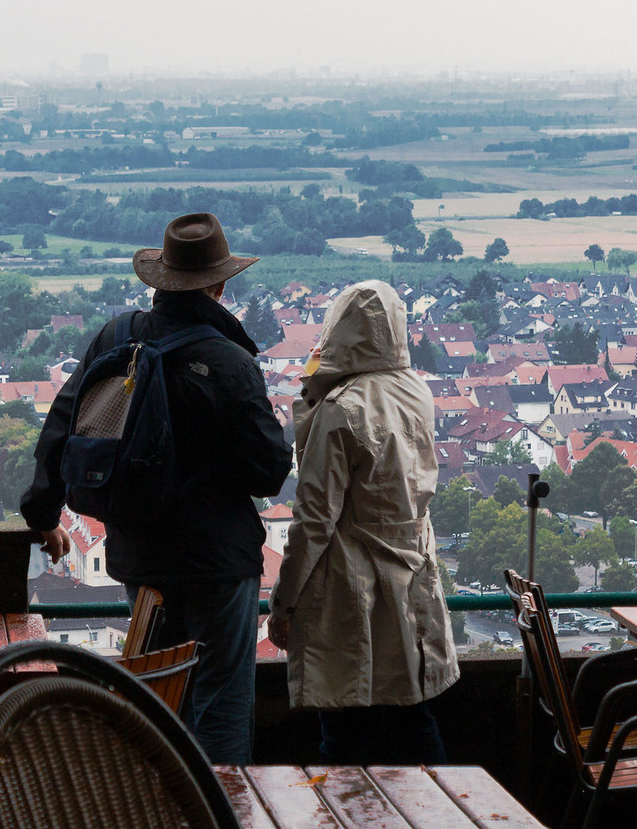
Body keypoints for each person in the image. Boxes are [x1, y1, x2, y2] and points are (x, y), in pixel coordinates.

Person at [22, 212, 292, 764]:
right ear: (220, 285)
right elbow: (268, 471)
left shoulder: (117, 336)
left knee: (155, 704)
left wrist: (43, 513)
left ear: (161, 279)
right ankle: (222, 814)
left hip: (140, 554)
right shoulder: (230, 361)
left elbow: (64, 423)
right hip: (218, 563)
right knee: (218, 712)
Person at [267, 279, 459, 764]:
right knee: (413, 720)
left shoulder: (339, 410)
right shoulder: (417, 393)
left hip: (349, 591)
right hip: (413, 575)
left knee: (344, 729)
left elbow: (313, 522)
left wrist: (283, 604)